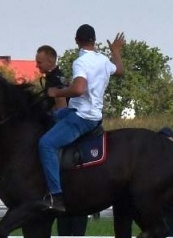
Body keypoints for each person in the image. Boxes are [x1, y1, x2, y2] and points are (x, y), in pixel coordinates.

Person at [39, 25, 124, 212]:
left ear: (76, 40)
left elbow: (78, 89)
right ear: (94, 41)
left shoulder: (81, 62)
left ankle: (56, 196)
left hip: (82, 118)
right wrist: (115, 51)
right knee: (47, 119)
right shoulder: (102, 60)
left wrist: (57, 92)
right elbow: (119, 70)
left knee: (46, 144)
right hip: (82, 113)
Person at [36, 45, 88, 238]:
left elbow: (60, 109)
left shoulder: (56, 80)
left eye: (40, 61)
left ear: (51, 61)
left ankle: (54, 192)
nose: (37, 65)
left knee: (45, 145)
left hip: (61, 128)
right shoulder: (52, 77)